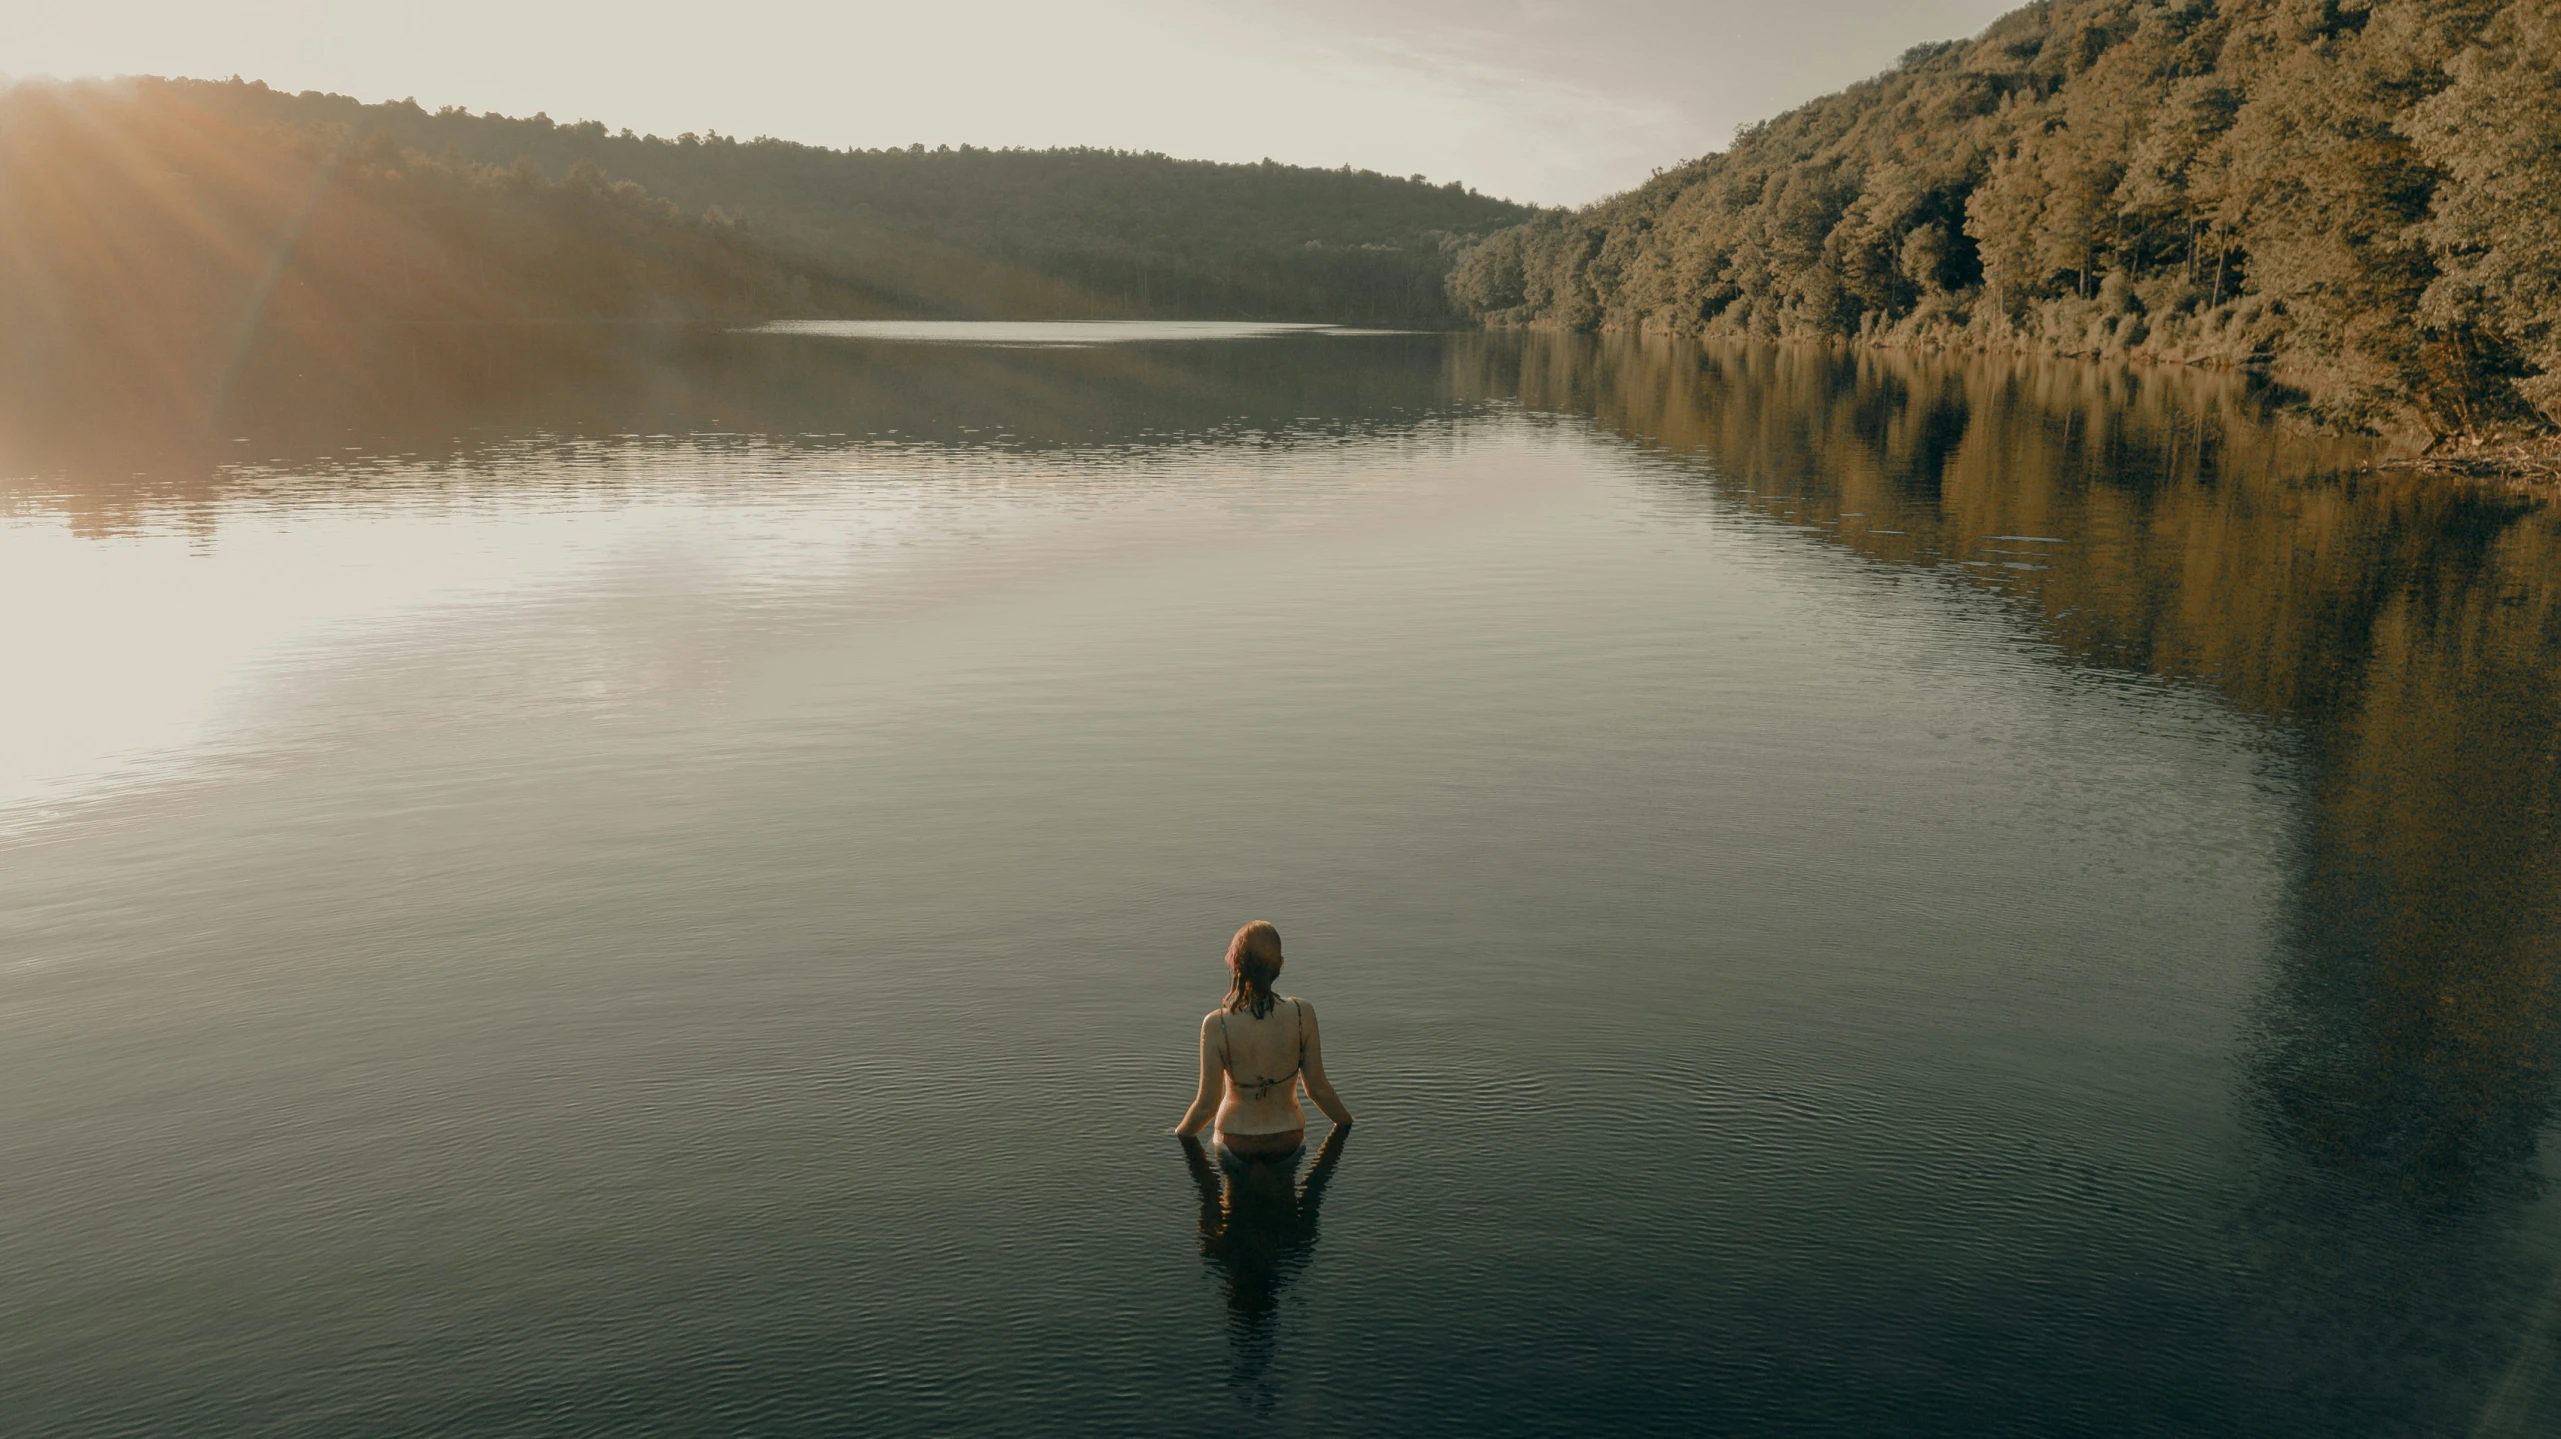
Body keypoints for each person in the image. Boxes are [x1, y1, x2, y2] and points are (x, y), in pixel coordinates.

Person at [1171, 921, 1353, 1154]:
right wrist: (1348, 1125)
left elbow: (1207, 1106)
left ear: (1236, 965)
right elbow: (1318, 1090)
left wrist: (1178, 1134)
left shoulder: (1217, 1024)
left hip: (1235, 1141)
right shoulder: (1302, 1013)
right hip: (1289, 1138)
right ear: (1279, 965)